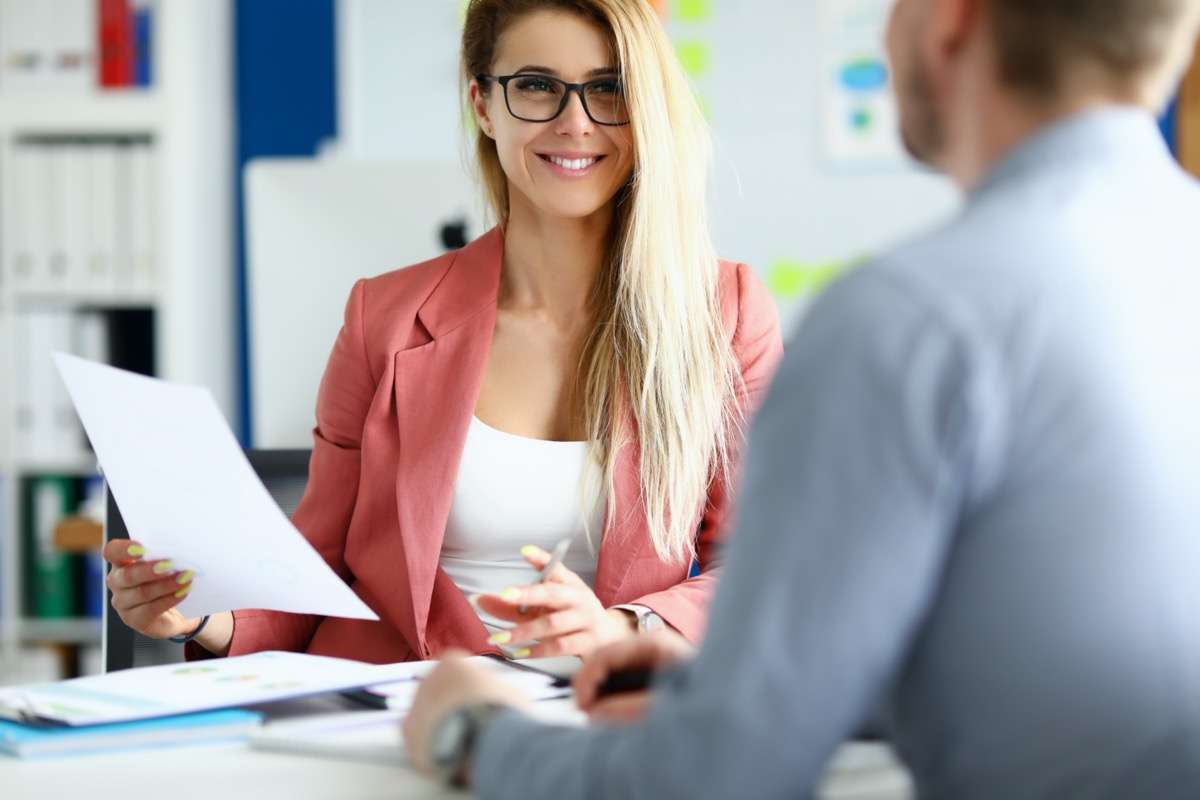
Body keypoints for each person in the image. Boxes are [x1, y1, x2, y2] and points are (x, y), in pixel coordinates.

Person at [403, 0, 1200, 796]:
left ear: (951, 19)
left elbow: (718, 778)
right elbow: (1052, 670)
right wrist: (716, 685)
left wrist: (474, 732)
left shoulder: (906, 324)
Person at [99, 0, 781, 663]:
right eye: (537, 86)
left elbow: (763, 565)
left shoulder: (727, 313)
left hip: (605, 718)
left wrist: (622, 631)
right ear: (483, 104)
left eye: (610, 89)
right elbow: (316, 573)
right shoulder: (383, 317)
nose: (576, 122)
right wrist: (201, 616)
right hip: (400, 706)